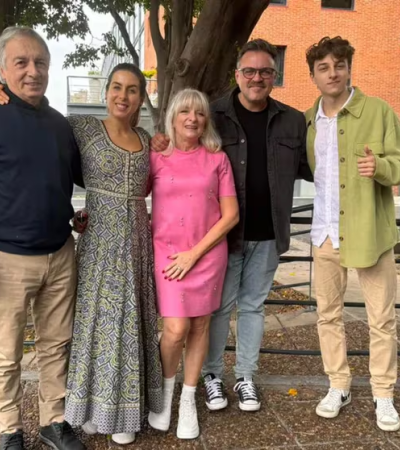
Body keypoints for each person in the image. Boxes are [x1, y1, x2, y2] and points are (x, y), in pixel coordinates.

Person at [0, 63, 163, 446]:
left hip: (135, 241)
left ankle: (126, 410)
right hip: (97, 241)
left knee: (130, 321)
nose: (123, 95)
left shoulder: (148, 139)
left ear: (141, 97)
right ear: (105, 91)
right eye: (116, 86)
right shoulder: (80, 127)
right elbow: (36, 118)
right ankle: (92, 410)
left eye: (132, 89)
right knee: (97, 323)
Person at [151, 39, 313, 413]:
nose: (258, 78)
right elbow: (184, 148)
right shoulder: (215, 114)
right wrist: (159, 141)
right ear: (237, 74)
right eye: (250, 71)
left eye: (266, 71)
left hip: (269, 232)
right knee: (218, 310)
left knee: (254, 307)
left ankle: (245, 377)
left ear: (275, 76)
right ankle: (211, 375)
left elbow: (313, 167)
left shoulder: (291, 119)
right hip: (223, 238)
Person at [0, 27, 86, 450]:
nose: (32, 71)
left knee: (56, 345)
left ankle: (53, 420)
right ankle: (9, 429)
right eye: (21, 62)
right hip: (2, 259)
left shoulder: (60, 125)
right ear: (1, 69)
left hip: (60, 253)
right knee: (5, 354)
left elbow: (76, 177)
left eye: (40, 62)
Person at [303, 36, 400, 432]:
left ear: (350, 67)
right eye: (323, 67)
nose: (332, 73)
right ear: (313, 75)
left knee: (381, 320)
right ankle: (339, 385)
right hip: (325, 234)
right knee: (327, 316)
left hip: (369, 233)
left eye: (339, 65)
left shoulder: (379, 112)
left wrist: (381, 168)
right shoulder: (308, 119)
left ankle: (383, 394)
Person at [146, 89, 239, 439]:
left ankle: (187, 400)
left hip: (206, 254)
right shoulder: (156, 156)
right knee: (174, 330)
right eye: (185, 111)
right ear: (172, 116)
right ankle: (164, 396)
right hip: (168, 256)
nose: (193, 119)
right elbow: (130, 192)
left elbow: (230, 215)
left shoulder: (217, 159)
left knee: (200, 327)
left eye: (199, 113)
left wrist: (194, 254)